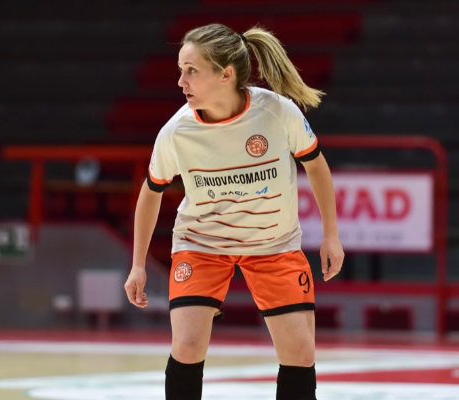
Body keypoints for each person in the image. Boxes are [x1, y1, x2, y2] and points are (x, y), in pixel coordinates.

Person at [124, 23, 344, 400]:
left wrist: (331, 235)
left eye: (191, 70)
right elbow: (151, 191)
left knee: (300, 352)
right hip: (202, 244)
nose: (180, 81)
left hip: (274, 243)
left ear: (226, 75)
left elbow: (317, 165)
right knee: (187, 346)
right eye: (180, 70)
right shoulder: (176, 131)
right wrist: (138, 264)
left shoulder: (277, 112)